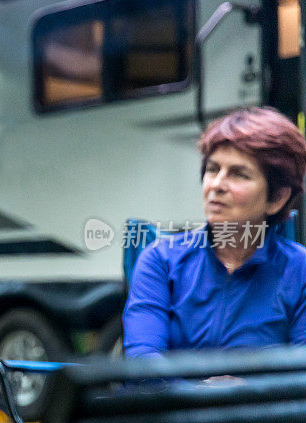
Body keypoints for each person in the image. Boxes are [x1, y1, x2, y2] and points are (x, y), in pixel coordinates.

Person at [123, 106, 306, 359]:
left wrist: (240, 391)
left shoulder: (300, 270)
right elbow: (143, 360)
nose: (217, 185)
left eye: (239, 174)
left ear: (276, 198)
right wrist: (201, 395)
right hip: (172, 400)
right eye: (212, 169)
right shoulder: (159, 260)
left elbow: (300, 377)